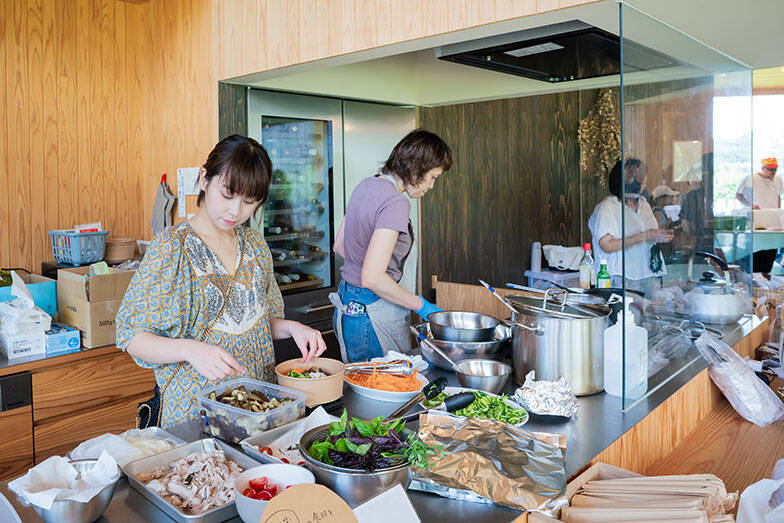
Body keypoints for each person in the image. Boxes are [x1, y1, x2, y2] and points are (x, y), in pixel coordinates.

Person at [116, 135, 327, 428]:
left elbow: (254, 323)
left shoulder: (255, 245)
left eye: (249, 202)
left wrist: (293, 327)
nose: (235, 211)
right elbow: (133, 338)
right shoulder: (171, 247)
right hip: (193, 414)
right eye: (227, 194)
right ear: (205, 179)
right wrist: (189, 349)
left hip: (258, 408)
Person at [330, 129, 452, 362]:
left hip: (348, 305)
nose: (432, 186)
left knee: (361, 387)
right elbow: (373, 278)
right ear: (418, 167)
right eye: (433, 177)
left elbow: (340, 246)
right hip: (373, 312)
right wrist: (423, 306)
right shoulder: (396, 202)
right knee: (386, 390)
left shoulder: (366, 185)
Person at [588, 160, 673, 293]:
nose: (639, 183)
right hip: (620, 277)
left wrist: (660, 236)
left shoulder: (644, 205)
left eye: (641, 178)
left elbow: (651, 236)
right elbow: (606, 245)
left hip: (649, 274)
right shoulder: (607, 208)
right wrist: (645, 236)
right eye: (633, 177)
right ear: (620, 180)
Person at [736, 157, 780, 272]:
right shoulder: (750, 179)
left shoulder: (778, 179)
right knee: (756, 252)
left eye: (775, 169)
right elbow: (739, 195)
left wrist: (779, 214)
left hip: (774, 222)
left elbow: (778, 196)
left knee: (771, 251)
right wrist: (751, 205)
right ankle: (754, 279)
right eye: (770, 169)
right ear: (762, 168)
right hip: (757, 221)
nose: (773, 172)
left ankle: (766, 279)